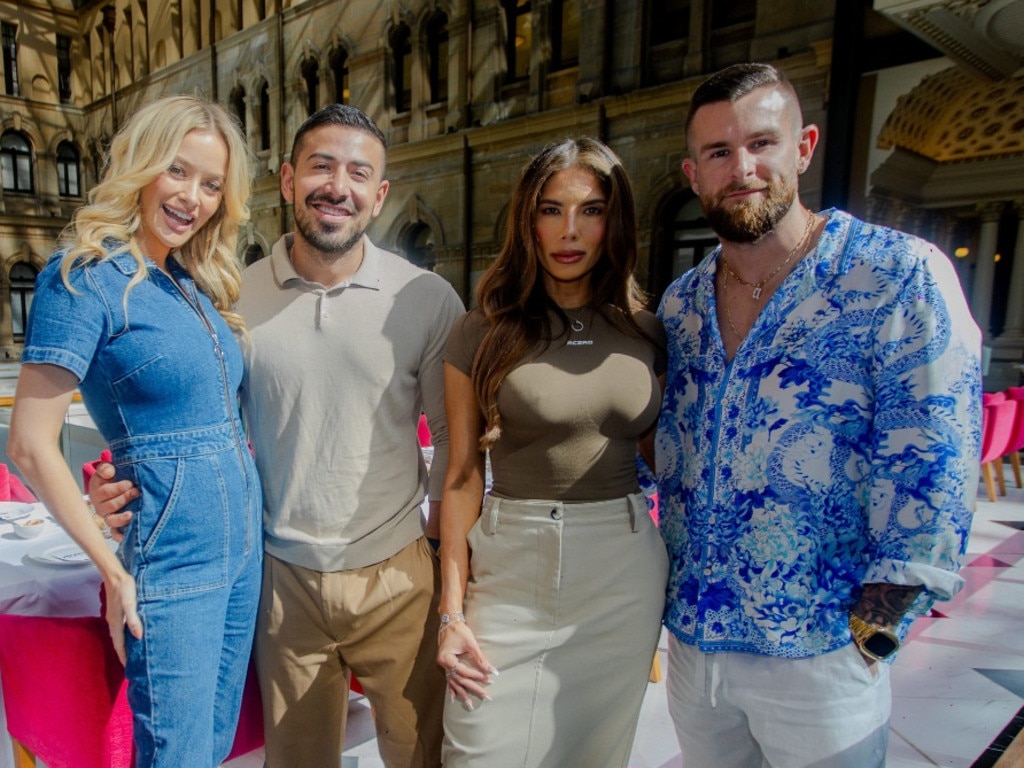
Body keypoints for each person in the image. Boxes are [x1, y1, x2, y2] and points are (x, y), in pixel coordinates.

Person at [91, 103, 464, 768]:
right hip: (279, 582)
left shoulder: (426, 299)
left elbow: (456, 454)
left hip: (398, 580)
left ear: (378, 197)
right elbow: (180, 417)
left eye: (358, 173)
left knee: (423, 757)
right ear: (289, 180)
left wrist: (437, 562)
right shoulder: (229, 295)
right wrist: (115, 485)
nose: (337, 186)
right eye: (321, 166)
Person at [655, 62, 982, 767]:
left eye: (761, 143)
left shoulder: (896, 273)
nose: (741, 167)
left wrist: (880, 624)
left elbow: (936, 449)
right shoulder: (679, 304)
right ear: (693, 173)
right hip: (696, 642)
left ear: (803, 147)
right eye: (718, 152)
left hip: (821, 647)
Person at [8, 95, 261, 767]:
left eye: (212, 185)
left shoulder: (193, 281)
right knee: (176, 754)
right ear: (140, 165)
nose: (193, 198)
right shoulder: (81, 279)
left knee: (213, 745)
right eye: (177, 171)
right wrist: (112, 568)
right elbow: (31, 443)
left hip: (243, 543)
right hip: (173, 549)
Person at [436, 137, 669, 767]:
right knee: (476, 750)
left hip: (621, 571)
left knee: (593, 756)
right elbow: (460, 476)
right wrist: (450, 614)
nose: (570, 231)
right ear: (527, 220)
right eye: (551, 209)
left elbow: (670, 459)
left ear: (614, 220)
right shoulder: (481, 330)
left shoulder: (647, 329)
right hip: (511, 569)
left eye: (591, 210)